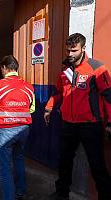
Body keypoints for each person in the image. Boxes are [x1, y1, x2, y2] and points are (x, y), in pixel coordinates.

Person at [44, 33, 111, 200]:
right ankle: (62, 194)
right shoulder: (65, 70)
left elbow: (108, 96)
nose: (70, 54)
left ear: (83, 48)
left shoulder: (97, 68)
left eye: (74, 50)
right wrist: (49, 108)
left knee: (97, 165)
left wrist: (110, 122)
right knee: (64, 161)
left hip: (90, 125)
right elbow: (58, 92)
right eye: (68, 51)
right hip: (68, 124)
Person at [0, 55, 35, 200]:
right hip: (24, 129)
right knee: (19, 159)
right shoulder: (28, 86)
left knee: (4, 168)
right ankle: (21, 191)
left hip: (5, 130)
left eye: (1, 68)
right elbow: (31, 109)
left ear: (5, 68)